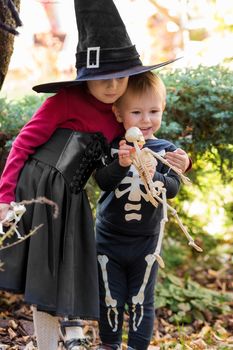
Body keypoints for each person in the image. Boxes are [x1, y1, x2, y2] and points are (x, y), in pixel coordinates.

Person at [0, 1, 190, 349]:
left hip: (72, 196)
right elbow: (23, 144)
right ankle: (46, 343)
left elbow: (145, 148)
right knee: (46, 272)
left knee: (72, 266)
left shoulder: (123, 110)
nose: (113, 85)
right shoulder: (65, 101)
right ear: (86, 75)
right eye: (103, 77)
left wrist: (179, 161)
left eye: (121, 76)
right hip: (42, 186)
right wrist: (5, 197)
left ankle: (74, 335)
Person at [94, 71, 184, 350]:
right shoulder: (112, 147)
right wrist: (120, 165)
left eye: (153, 111)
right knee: (109, 296)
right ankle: (109, 344)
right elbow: (102, 182)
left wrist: (154, 175)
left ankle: (137, 346)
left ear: (163, 110)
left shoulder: (165, 151)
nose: (146, 120)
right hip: (109, 239)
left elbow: (172, 187)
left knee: (141, 299)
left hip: (146, 242)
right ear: (119, 114)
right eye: (136, 112)